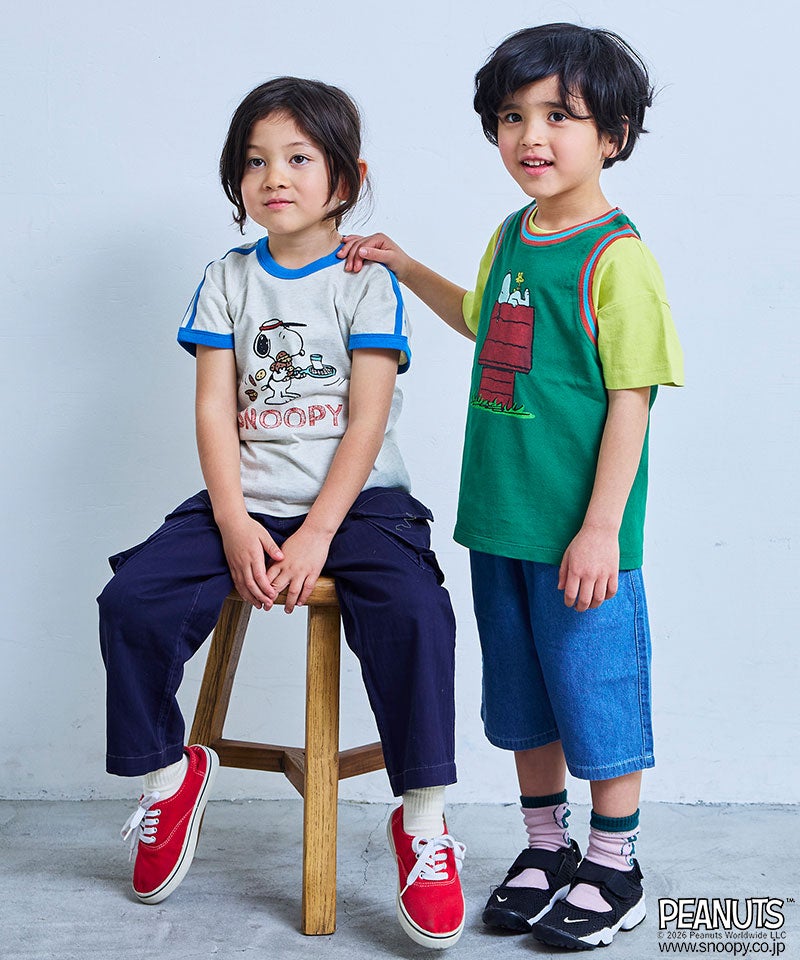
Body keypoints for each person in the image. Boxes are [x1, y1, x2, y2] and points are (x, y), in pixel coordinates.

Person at [98, 76, 466, 950]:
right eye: (256, 161)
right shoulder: (227, 279)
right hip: (247, 499)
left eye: (299, 158)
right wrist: (233, 523)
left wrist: (317, 534)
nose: (275, 177)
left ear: (347, 176)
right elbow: (212, 411)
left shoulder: (365, 283)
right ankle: (167, 780)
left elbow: (366, 421)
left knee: (417, 611)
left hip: (360, 506)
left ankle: (423, 820)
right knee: (131, 601)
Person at [339, 23, 684, 951]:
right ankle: (545, 847)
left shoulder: (618, 259)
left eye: (559, 116)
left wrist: (602, 528)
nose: (531, 135)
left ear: (612, 134)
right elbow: (483, 320)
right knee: (525, 696)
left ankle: (615, 864)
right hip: (500, 521)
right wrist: (406, 266)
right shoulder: (513, 236)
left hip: (580, 536)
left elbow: (633, 402)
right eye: (512, 117)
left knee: (595, 693)